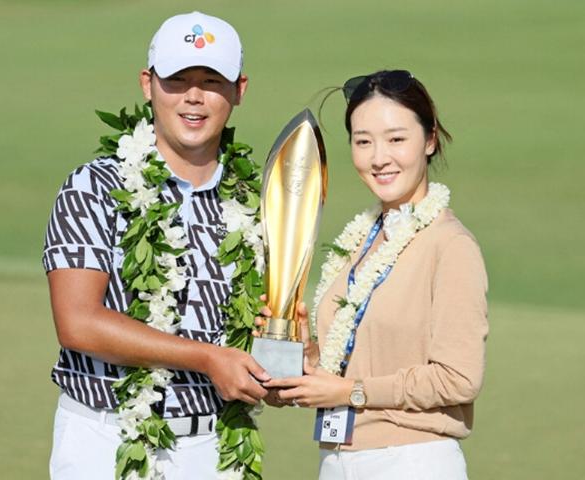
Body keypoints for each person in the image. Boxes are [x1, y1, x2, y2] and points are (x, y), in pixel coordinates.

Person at [43, 11, 269, 480]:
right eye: (178, 79)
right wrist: (207, 357)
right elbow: (78, 323)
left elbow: (261, 326)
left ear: (239, 90)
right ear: (148, 84)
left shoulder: (256, 204)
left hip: (217, 445)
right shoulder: (94, 187)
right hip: (104, 441)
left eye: (211, 80)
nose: (193, 96)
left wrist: (290, 355)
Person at [261, 70, 488, 479]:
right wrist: (304, 355)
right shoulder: (363, 240)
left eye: (396, 139)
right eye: (363, 141)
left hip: (411, 460)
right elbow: (359, 359)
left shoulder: (450, 245)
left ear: (430, 139)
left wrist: (350, 391)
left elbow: (458, 379)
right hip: (339, 459)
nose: (379, 157)